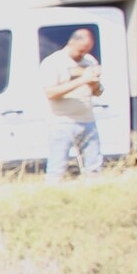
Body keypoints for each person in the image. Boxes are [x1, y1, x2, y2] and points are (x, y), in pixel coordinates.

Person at [42, 26, 103, 181]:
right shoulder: (54, 62)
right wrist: (83, 80)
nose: (82, 54)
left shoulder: (89, 61)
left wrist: (94, 83)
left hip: (87, 120)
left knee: (94, 166)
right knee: (58, 167)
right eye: (80, 50)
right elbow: (51, 93)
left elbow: (98, 92)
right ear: (71, 43)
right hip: (62, 121)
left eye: (86, 50)